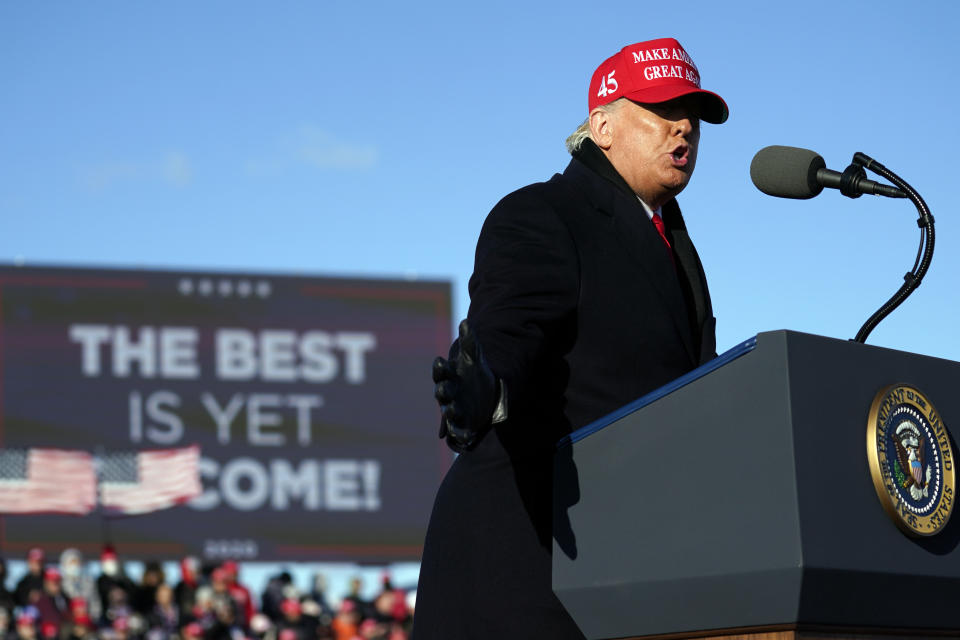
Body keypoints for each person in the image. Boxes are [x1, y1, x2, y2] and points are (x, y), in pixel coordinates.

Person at [414, 37, 728, 639]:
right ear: (603, 127)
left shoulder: (674, 243)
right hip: (527, 569)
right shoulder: (542, 214)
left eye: (693, 116)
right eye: (662, 111)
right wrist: (488, 389)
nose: (683, 127)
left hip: (623, 570)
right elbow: (508, 332)